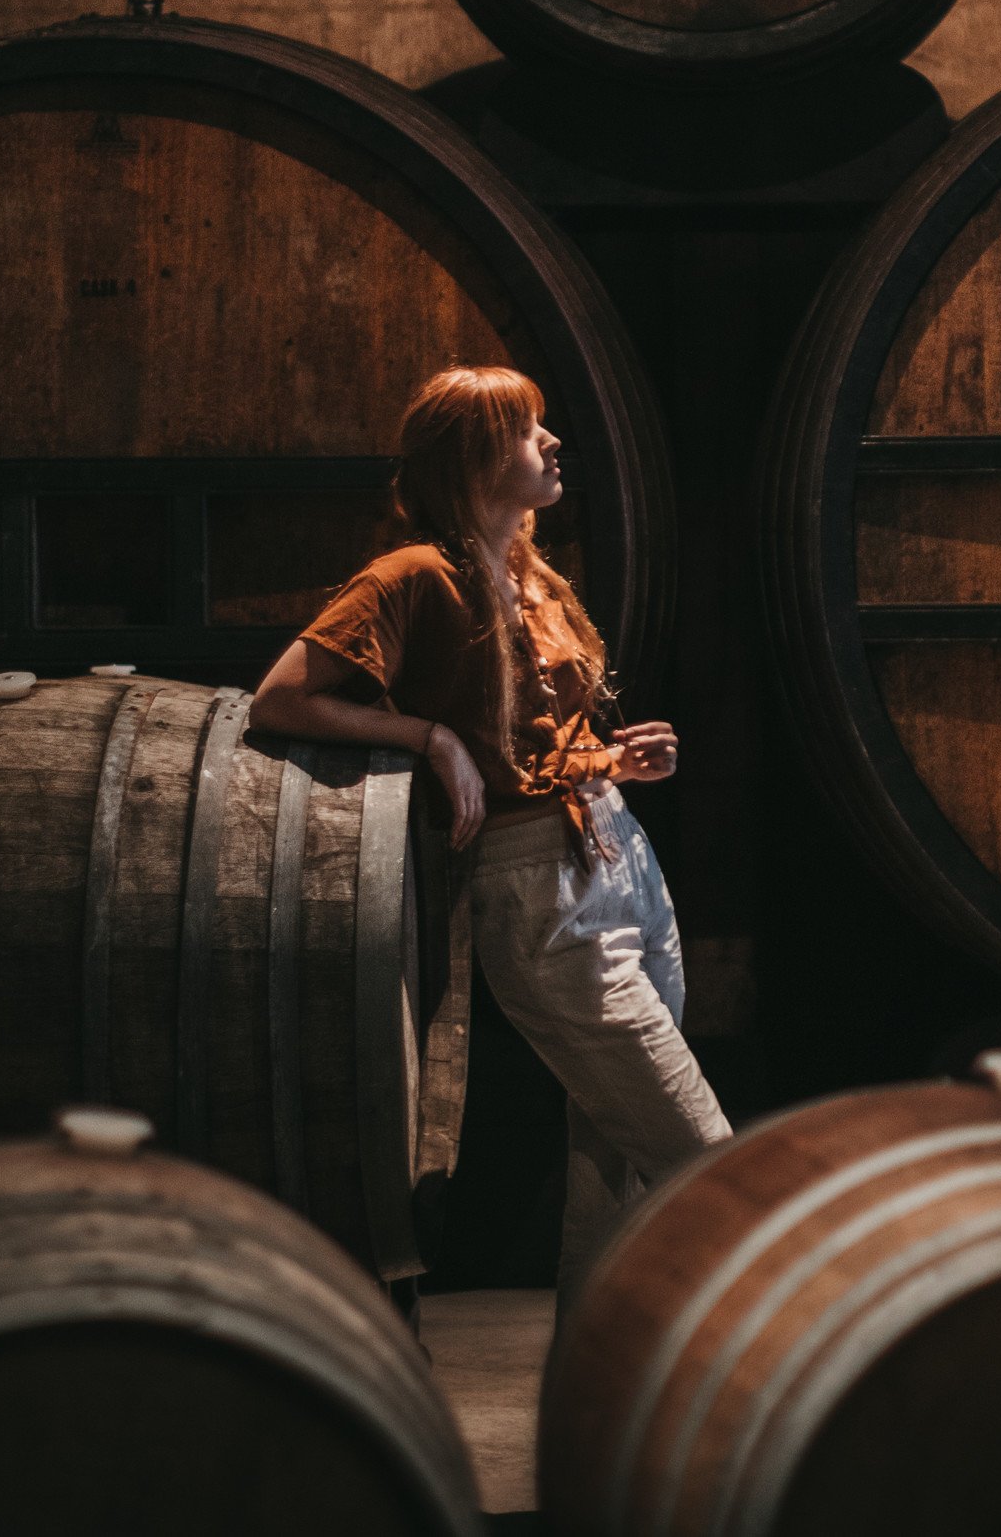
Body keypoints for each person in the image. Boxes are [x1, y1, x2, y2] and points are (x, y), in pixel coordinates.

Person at [247, 364, 729, 1303]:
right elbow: (279, 697)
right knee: (701, 1153)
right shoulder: (412, 574)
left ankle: (594, 1376)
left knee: (619, 1154)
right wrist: (425, 736)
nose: (552, 443)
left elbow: (544, 738)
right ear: (472, 455)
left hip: (621, 854)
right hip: (536, 885)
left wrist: (619, 759)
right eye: (526, 429)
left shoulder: (530, 572)